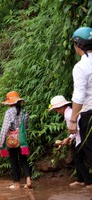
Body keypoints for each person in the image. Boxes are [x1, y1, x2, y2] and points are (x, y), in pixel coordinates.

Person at [49, 95, 92, 187]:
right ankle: (80, 179)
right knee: (78, 159)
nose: (57, 112)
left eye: (56, 109)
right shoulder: (70, 112)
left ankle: (88, 181)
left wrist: (68, 139)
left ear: (60, 108)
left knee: (78, 159)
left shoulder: (69, 115)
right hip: (79, 138)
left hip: (82, 139)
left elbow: (77, 129)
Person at [0, 91, 31, 189]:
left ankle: (16, 183)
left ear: (10, 102)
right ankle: (28, 180)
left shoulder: (9, 112)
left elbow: (5, 128)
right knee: (24, 159)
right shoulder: (24, 112)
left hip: (13, 140)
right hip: (22, 139)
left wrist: (1, 142)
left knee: (13, 160)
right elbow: (26, 126)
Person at [68, 27, 92, 169]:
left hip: (89, 116)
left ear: (78, 45)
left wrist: (72, 120)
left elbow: (79, 96)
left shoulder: (81, 66)